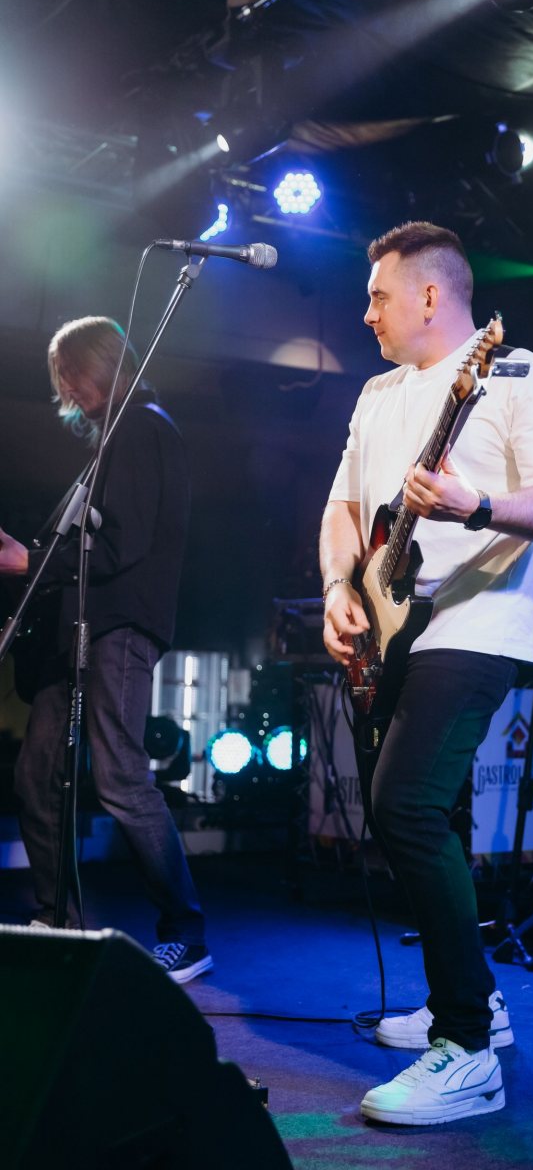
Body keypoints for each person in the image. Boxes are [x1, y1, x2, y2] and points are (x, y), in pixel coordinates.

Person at [320, 222, 533, 1125]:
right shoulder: (376, 394)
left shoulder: (523, 377)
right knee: (411, 814)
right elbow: (343, 507)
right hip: (393, 629)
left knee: (404, 807)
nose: (366, 314)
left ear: (431, 296)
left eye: (378, 297)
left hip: (477, 624)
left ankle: (467, 1050)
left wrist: (478, 506)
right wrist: (338, 588)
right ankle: (475, 999)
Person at [0, 316, 211, 984]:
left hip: (117, 629)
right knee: (37, 775)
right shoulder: (114, 441)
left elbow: (122, 545)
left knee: (121, 777)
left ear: (103, 363)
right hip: (76, 634)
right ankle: (57, 918)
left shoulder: (144, 428)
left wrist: (26, 561)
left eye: (72, 371)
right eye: (59, 376)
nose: (65, 386)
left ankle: (186, 933)